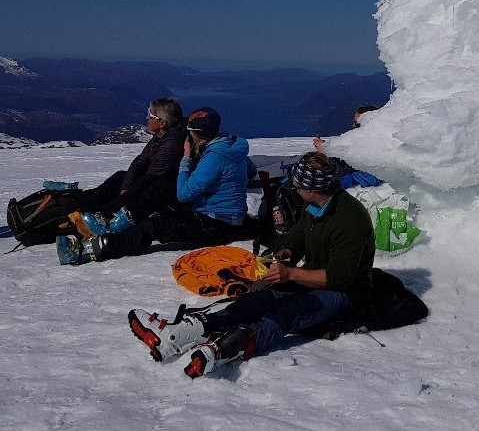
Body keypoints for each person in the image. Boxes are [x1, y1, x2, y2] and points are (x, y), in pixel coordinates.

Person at [127, 151, 376, 377]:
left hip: (346, 292)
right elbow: (298, 237)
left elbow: (341, 278)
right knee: (258, 300)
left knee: (290, 312)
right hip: (310, 276)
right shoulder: (312, 205)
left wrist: (291, 274)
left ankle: (232, 345)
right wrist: (285, 253)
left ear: (312, 189)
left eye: (298, 185)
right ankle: (187, 333)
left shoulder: (348, 219)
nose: (294, 188)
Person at [57, 106, 256, 265]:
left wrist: (186, 159)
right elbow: (250, 171)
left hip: (215, 223)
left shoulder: (214, 157)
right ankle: (111, 224)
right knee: (160, 187)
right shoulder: (231, 147)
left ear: (197, 133)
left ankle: (90, 250)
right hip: (216, 212)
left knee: (155, 226)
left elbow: (184, 194)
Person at [69, 98, 187, 232]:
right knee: (121, 177)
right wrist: (125, 186)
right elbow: (139, 162)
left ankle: (101, 217)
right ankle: (83, 204)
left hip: (166, 190)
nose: (146, 118)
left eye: (150, 115)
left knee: (141, 188)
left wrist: (125, 195)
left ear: (162, 123)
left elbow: (153, 175)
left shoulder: (174, 142)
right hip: (153, 180)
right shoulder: (162, 136)